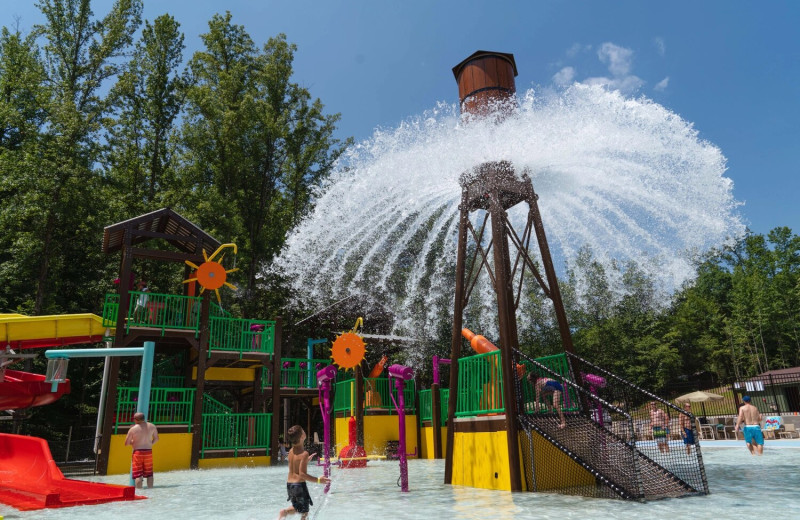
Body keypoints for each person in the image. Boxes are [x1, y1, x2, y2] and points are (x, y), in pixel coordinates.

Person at [277, 425, 330, 519]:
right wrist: (318, 480)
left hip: (290, 485)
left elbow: (295, 468)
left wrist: (305, 461)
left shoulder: (291, 452)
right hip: (299, 486)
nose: (305, 432)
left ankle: (285, 512)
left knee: (297, 508)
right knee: (304, 511)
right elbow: (302, 474)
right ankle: (284, 512)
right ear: (302, 437)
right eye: (303, 431)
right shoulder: (304, 453)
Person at [124, 412, 159, 488]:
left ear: (135, 419)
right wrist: (150, 444)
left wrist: (133, 443)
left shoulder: (133, 429)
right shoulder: (152, 426)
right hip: (148, 451)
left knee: (138, 475)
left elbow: (126, 443)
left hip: (138, 452)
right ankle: (151, 491)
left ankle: (139, 493)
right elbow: (156, 439)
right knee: (149, 474)